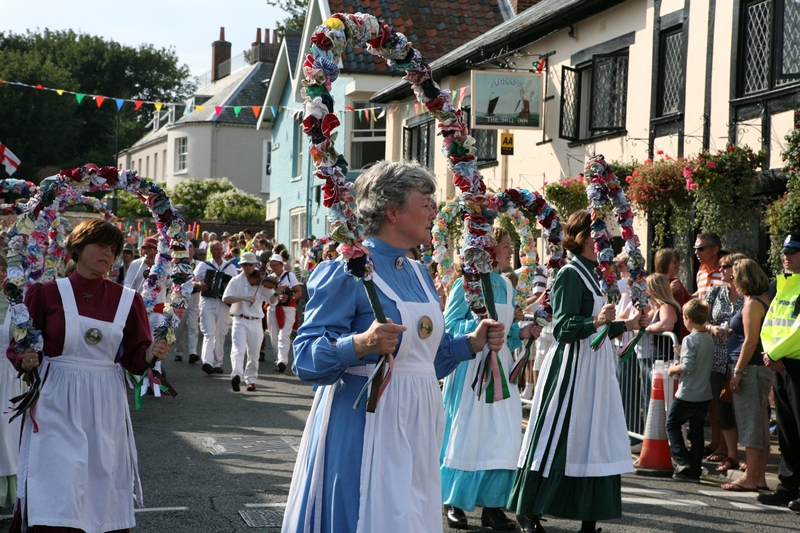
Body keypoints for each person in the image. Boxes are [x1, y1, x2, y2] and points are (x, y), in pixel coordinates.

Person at [281, 159, 505, 533]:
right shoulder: (347, 269)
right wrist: (358, 344)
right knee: (369, 515)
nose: (435, 211)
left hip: (417, 423)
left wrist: (469, 343)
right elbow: (304, 358)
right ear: (393, 211)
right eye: (427, 202)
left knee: (410, 517)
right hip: (366, 423)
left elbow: (422, 363)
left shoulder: (418, 271)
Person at [7, 219, 169, 532]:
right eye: (100, 246)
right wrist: (25, 359)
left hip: (105, 403)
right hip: (55, 399)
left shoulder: (128, 299)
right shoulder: (46, 293)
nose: (108, 254)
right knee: (57, 483)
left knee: (100, 483)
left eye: (114, 249)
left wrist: (151, 355)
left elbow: (135, 358)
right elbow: (20, 345)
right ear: (77, 249)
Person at [508, 210, 644, 533]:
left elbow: (597, 329)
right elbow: (563, 328)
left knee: (594, 437)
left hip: (594, 367)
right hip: (571, 369)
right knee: (556, 435)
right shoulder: (570, 273)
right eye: (600, 234)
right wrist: (597, 322)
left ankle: (589, 520)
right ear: (585, 237)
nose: (606, 240)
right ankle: (528, 510)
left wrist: (626, 325)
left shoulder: (596, 274)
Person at [440, 227, 539, 531]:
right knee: (468, 431)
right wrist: (478, 325)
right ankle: (454, 502)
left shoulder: (508, 287)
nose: (511, 251)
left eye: (512, 246)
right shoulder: (463, 285)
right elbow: (450, 326)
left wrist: (520, 333)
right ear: (489, 249)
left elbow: (507, 334)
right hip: (472, 368)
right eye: (506, 246)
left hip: (501, 371)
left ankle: (493, 506)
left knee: (503, 434)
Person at [722, 258, 772, 492]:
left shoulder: (752, 303)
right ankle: (758, 476)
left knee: (751, 423)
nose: (731, 278)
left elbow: (751, 341)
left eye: (735, 275)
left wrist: (738, 371)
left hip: (750, 369)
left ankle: (751, 477)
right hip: (757, 369)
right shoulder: (762, 299)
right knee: (759, 423)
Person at [759, 233, 800, 509]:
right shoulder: (780, 285)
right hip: (779, 363)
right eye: (785, 252)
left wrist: (774, 353)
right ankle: (788, 485)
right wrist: (768, 353)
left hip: (791, 361)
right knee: (785, 429)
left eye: (793, 252)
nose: (786, 256)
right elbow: (771, 322)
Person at [704, 252, 747, 472]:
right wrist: (711, 328)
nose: (721, 270)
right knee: (722, 407)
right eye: (719, 267)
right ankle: (730, 453)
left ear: (736, 268)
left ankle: (750, 455)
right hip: (718, 357)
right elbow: (702, 317)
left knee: (746, 407)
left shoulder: (748, 294)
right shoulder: (714, 292)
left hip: (742, 357)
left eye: (725, 266)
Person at [667, 299, 714, 482]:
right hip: (704, 393)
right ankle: (694, 471)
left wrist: (673, 369)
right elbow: (698, 361)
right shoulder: (708, 339)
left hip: (688, 392)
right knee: (697, 433)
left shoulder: (689, 339)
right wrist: (682, 353)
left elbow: (687, 366)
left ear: (687, 318)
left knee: (672, 424)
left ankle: (682, 461)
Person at [223, 252, 273, 392]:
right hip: (239, 319)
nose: (248, 267)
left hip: (256, 321)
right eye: (245, 264)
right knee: (238, 349)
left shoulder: (262, 280)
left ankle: (250, 379)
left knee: (254, 353)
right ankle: (236, 375)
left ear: (256, 265)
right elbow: (226, 299)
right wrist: (243, 298)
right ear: (241, 266)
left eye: (251, 264)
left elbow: (272, 300)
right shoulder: (236, 280)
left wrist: (277, 293)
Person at [638, 273, 681, 421]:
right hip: (659, 359)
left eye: (646, 289)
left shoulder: (666, 306)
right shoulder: (658, 308)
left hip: (664, 359)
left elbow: (666, 324)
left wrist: (647, 329)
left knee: (663, 402)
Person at [0, 252, 24, 509]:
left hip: (9, 375)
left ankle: (8, 494)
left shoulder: (18, 302)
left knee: (7, 434)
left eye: (2, 268)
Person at [194, 240, 237, 375]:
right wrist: (198, 285)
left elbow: (236, 284)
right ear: (211, 251)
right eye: (216, 249)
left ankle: (218, 363)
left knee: (221, 333)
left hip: (223, 304)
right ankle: (207, 362)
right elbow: (192, 280)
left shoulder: (230, 267)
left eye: (220, 249)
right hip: (207, 301)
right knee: (208, 332)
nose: (219, 251)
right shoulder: (203, 265)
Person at [123, 237, 167, 336]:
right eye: (144, 248)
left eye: (150, 248)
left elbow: (169, 283)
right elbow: (127, 283)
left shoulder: (164, 266)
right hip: (139, 306)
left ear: (156, 251)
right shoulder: (135, 264)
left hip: (157, 310)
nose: (146, 251)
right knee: (138, 336)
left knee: (154, 339)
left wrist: (154, 268)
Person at [267, 253, 302, 374]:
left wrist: (290, 297)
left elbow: (299, 292)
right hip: (273, 309)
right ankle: (279, 360)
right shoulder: (269, 278)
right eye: (272, 265)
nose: (274, 267)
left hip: (288, 308)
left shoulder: (290, 275)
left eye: (276, 264)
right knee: (274, 338)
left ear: (282, 265)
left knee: (284, 335)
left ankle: (282, 361)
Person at [175, 239, 201, 363]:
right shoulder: (178, 265)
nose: (189, 251)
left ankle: (192, 352)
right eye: (186, 248)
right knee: (180, 327)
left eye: (190, 248)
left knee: (193, 326)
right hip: (182, 298)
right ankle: (179, 352)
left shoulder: (199, 264)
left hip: (195, 298)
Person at [694, 232, 724, 298]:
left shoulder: (727, 271)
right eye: (695, 249)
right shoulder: (700, 273)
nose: (696, 252)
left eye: (700, 249)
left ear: (715, 250)